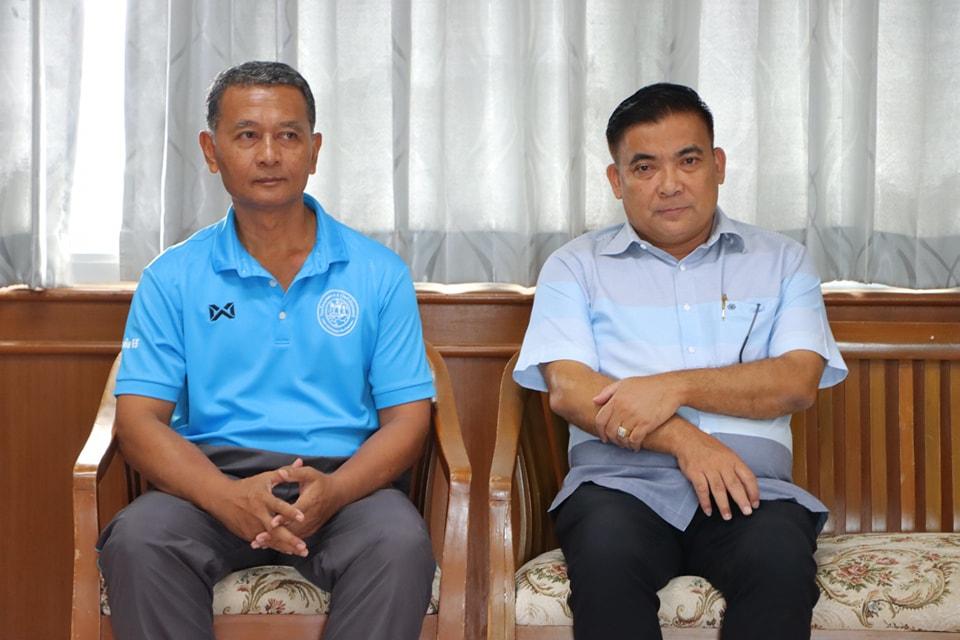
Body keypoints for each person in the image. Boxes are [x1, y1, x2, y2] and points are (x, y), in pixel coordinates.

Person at [97, 61, 436, 640]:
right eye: (248, 135)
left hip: (343, 484)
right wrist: (225, 497)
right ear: (211, 151)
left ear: (315, 150)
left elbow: (408, 419)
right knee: (139, 539)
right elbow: (137, 422)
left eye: (289, 135)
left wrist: (337, 490)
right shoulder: (171, 277)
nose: (270, 155)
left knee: (400, 541)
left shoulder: (378, 273)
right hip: (208, 481)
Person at [514, 83, 848, 640]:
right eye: (644, 167)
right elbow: (570, 389)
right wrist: (686, 441)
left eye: (688, 161)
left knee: (779, 561)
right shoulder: (574, 267)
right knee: (605, 556)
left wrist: (673, 387)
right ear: (616, 180)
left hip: (750, 492)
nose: (669, 184)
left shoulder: (782, 261)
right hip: (619, 488)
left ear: (718, 165)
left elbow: (797, 381)